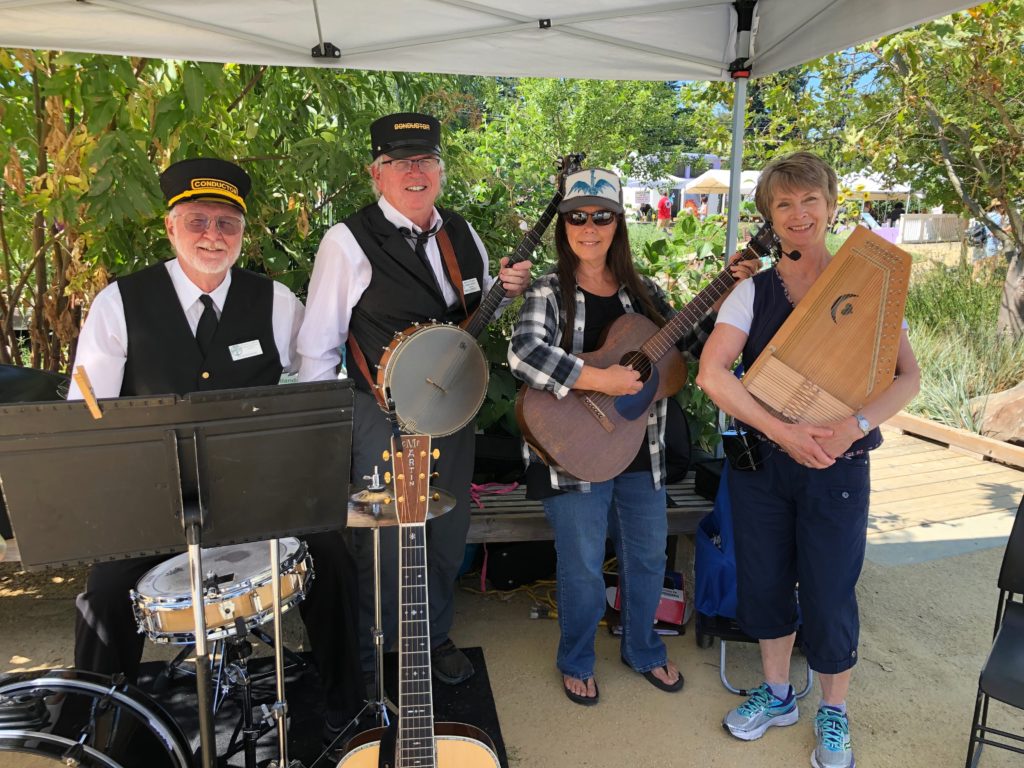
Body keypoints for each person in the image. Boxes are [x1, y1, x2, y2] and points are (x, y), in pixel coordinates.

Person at [69, 157, 364, 740]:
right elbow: (89, 416)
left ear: (242, 233)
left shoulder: (275, 300)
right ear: (170, 227)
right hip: (156, 501)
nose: (213, 235)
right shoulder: (119, 304)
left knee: (333, 559)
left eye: (227, 223)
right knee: (103, 593)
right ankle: (97, 728)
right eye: (198, 221)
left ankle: (345, 706)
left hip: (257, 494)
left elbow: (314, 384)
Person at [696, 151, 920, 768]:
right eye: (784, 204)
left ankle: (833, 711)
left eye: (809, 200)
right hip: (764, 465)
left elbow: (907, 377)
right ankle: (775, 695)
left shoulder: (869, 286)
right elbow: (714, 376)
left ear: (830, 205)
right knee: (765, 581)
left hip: (838, 466)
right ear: (771, 215)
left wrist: (853, 426)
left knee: (829, 590)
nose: (799, 214)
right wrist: (782, 431)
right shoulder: (751, 289)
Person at [297, 112, 532, 687]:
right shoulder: (347, 241)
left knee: (445, 529)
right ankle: (373, 651)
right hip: (379, 414)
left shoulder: (461, 233)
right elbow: (317, 346)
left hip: (452, 411)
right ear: (376, 173)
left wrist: (505, 291)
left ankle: (432, 636)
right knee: (382, 533)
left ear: (440, 170)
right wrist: (326, 435)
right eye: (400, 162)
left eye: (425, 160)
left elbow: (471, 321)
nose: (415, 171)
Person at [508, 167, 757, 706]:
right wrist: (601, 379)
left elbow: (689, 342)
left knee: (646, 559)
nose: (589, 227)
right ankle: (576, 659)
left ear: (618, 224)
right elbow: (524, 354)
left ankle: (643, 648)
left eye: (602, 216)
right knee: (581, 568)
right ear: (565, 226)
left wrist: (726, 291)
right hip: (572, 453)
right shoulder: (550, 291)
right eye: (578, 217)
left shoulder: (644, 294)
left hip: (643, 451)